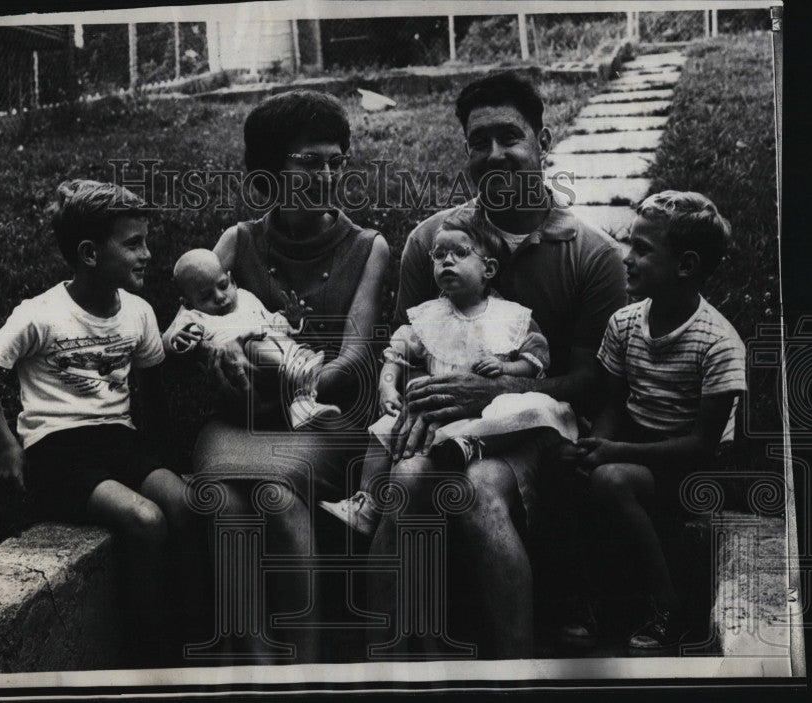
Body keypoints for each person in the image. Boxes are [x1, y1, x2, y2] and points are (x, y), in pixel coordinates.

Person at [367, 71, 628, 658]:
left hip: (536, 432)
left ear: (543, 139)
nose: (493, 155)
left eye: (509, 137)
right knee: (404, 479)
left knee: (479, 490)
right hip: (444, 426)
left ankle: (518, 662)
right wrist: (415, 404)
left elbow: (593, 382)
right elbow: (410, 349)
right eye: (477, 142)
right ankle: (383, 656)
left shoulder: (591, 254)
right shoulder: (433, 241)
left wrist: (488, 397)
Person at [188, 90, 390, 662]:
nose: (326, 175)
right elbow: (195, 329)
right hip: (240, 417)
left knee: (275, 496)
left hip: (324, 422)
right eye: (308, 162)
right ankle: (253, 659)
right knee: (220, 498)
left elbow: (353, 364)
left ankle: (300, 661)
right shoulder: (237, 241)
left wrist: (286, 376)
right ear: (268, 173)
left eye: (336, 161)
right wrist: (215, 359)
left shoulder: (368, 247)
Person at [0, 179, 205, 666]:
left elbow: (153, 393)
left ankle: (194, 632)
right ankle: (152, 657)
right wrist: (4, 447)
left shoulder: (139, 313)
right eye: (133, 244)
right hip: (57, 451)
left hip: (117, 442)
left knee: (186, 506)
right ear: (89, 253)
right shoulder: (40, 315)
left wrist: (166, 462)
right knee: (145, 520)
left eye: (145, 240)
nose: (147, 254)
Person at [558, 191, 746, 650]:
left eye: (642, 250)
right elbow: (615, 403)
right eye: (629, 244)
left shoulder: (718, 343)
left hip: (689, 465)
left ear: (685, 265)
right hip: (639, 443)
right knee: (570, 467)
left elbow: (702, 444)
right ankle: (590, 597)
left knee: (612, 481)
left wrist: (615, 453)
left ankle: (667, 604)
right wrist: (594, 444)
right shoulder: (625, 324)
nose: (626, 258)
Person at [319, 212, 578, 536]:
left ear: (489, 269)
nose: (447, 261)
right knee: (383, 430)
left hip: (490, 411)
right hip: (438, 412)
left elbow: (536, 360)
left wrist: (506, 368)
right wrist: (388, 390)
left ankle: (466, 446)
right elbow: (395, 356)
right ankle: (367, 503)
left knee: (521, 407)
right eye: (439, 255)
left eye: (459, 253)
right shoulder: (427, 317)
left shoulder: (511, 316)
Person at [165, 248, 341, 430]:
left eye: (223, 285)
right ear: (187, 303)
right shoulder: (195, 317)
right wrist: (180, 339)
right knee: (255, 346)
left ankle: (302, 405)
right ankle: (300, 378)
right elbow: (183, 341)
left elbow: (272, 322)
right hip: (246, 367)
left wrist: (291, 321)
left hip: (279, 354)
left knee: (291, 346)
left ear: (232, 280)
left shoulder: (246, 298)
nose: (220, 297)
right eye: (206, 296)